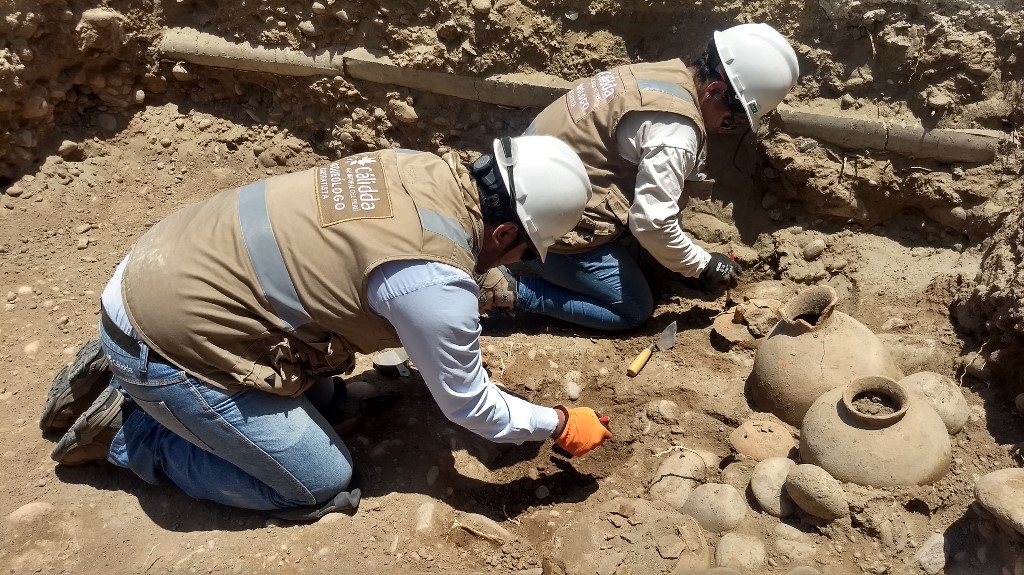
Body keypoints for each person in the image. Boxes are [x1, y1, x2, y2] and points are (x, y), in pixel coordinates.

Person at [40, 135, 612, 520]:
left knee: (336, 405)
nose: (515, 265)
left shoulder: (421, 167)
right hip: (173, 336)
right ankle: (133, 433)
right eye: (525, 253)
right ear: (507, 233)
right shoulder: (431, 281)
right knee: (317, 482)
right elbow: (468, 406)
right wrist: (557, 422)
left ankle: (131, 356)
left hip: (168, 265)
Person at [477, 23, 800, 331]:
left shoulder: (664, 74)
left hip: (518, 187)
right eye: (732, 121)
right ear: (714, 89)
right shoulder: (675, 132)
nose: (724, 130)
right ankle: (512, 289)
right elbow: (652, 223)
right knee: (632, 309)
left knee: (648, 259)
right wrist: (702, 264)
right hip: (537, 231)